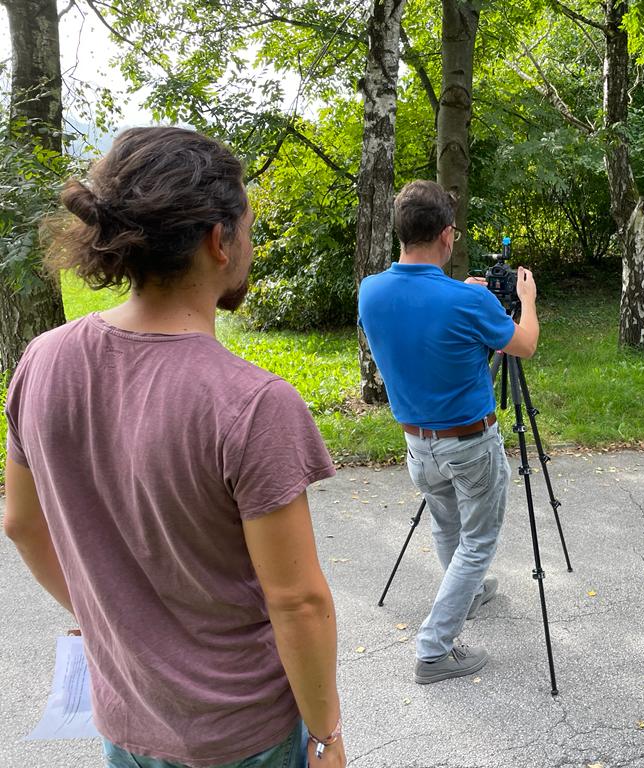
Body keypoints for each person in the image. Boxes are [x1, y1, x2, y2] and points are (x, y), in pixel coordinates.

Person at [3, 127, 346, 767]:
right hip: (241, 735)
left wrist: (114, 617)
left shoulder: (41, 361)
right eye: (248, 224)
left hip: (125, 719)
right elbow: (296, 600)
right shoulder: (253, 403)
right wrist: (326, 733)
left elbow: (21, 524)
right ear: (220, 241)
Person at [357, 180, 539, 685]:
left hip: (417, 444)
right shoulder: (467, 302)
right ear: (447, 235)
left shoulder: (370, 291)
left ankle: (470, 594)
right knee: (478, 540)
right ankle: (434, 649)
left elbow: (423, 334)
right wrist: (525, 298)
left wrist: (467, 299)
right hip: (470, 443)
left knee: (447, 527)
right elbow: (522, 345)